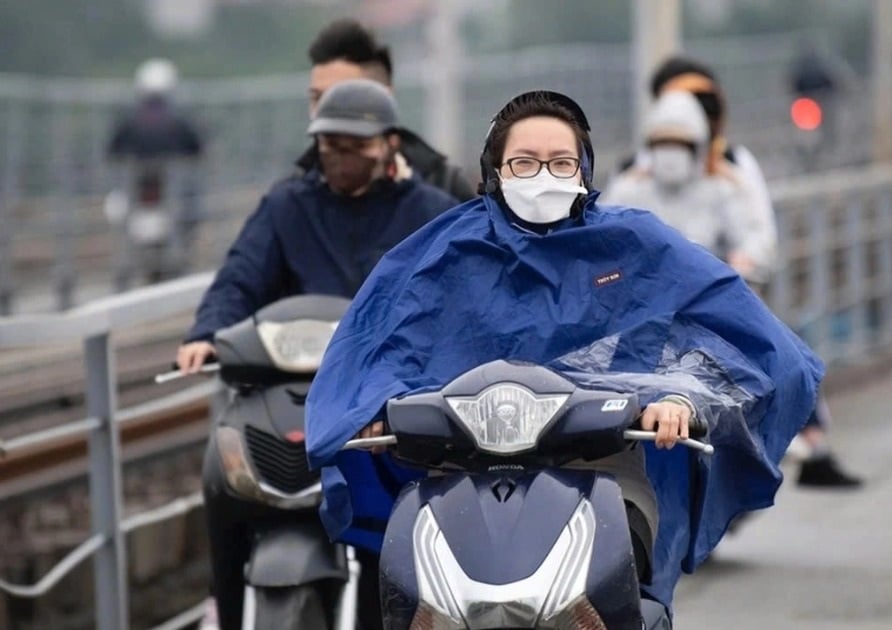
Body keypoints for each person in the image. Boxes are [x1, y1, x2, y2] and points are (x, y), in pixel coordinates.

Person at [304, 91, 824, 617]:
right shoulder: (444, 252)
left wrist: (679, 399)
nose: (543, 175)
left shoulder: (632, 244)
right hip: (458, 477)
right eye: (524, 163)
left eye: (560, 162)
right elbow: (380, 344)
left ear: (584, 170)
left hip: (603, 471)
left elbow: (726, 334)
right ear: (495, 170)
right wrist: (371, 408)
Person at [178, 80, 458, 630]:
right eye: (330, 143)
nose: (340, 155)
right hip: (295, 390)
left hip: (387, 399)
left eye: (355, 144)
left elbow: (461, 293)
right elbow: (241, 275)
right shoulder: (288, 205)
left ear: (390, 143)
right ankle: (227, 602)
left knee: (399, 524)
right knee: (223, 475)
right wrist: (207, 332)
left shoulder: (431, 212)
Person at [635, 56, 861, 488]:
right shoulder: (632, 177)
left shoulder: (732, 173)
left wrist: (738, 268)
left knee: (781, 352)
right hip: (650, 309)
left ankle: (805, 440)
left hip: (717, 300)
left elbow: (759, 237)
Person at [299, 18, 475, 202]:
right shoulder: (293, 201)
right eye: (317, 98)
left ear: (385, 97)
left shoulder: (444, 188)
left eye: (343, 95)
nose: (326, 111)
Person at [602, 91, 769, 280]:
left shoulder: (723, 189)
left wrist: (744, 260)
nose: (671, 153)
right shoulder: (627, 189)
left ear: (698, 148)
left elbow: (754, 238)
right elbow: (601, 240)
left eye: (681, 144)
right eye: (662, 143)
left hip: (707, 294)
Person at [106, 58, 205, 285]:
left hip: (139, 194)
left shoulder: (129, 122)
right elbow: (197, 150)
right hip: (168, 196)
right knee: (192, 210)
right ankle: (177, 260)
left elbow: (112, 153)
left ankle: (136, 269)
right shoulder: (178, 123)